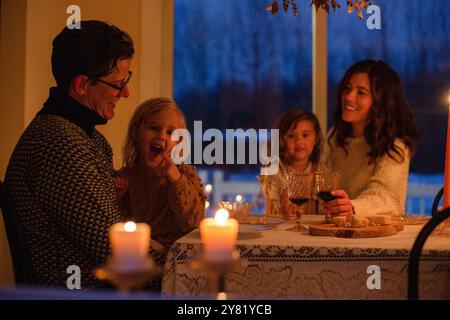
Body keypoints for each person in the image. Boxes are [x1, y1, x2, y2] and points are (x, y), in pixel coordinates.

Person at [4, 20, 165, 288]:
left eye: (127, 79)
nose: (126, 92)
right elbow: (120, 253)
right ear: (81, 85)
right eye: (117, 84)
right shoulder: (59, 144)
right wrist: (183, 266)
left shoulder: (81, 135)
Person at [322, 59, 419, 219]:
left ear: (381, 102)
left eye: (361, 92)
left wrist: (352, 207)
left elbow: (385, 197)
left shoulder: (395, 144)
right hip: (335, 232)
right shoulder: (334, 137)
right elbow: (322, 187)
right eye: (347, 88)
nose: (348, 97)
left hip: (378, 238)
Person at [114, 97, 205, 248]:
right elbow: (115, 225)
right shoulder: (126, 177)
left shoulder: (186, 175)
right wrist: (117, 198)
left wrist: (176, 179)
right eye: (154, 128)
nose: (162, 136)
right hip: (140, 255)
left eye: (170, 132)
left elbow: (195, 223)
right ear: (136, 132)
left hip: (178, 255)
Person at [259, 109, 326, 220]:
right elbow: (276, 194)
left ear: (316, 138)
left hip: (308, 232)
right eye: (291, 136)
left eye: (305, 135)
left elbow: (324, 207)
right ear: (281, 140)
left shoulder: (321, 171)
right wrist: (284, 197)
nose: (299, 141)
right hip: (278, 230)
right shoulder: (274, 168)